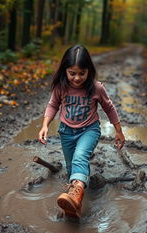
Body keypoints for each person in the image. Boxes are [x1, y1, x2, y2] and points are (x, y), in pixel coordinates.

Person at [38, 44, 125, 219]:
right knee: (71, 169)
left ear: (89, 71)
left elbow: (109, 108)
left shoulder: (96, 87)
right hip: (66, 131)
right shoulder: (61, 87)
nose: (77, 78)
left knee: (80, 157)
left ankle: (76, 194)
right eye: (72, 73)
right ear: (65, 71)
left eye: (82, 73)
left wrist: (119, 130)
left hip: (89, 130)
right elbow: (53, 104)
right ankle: (75, 203)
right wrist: (45, 125)